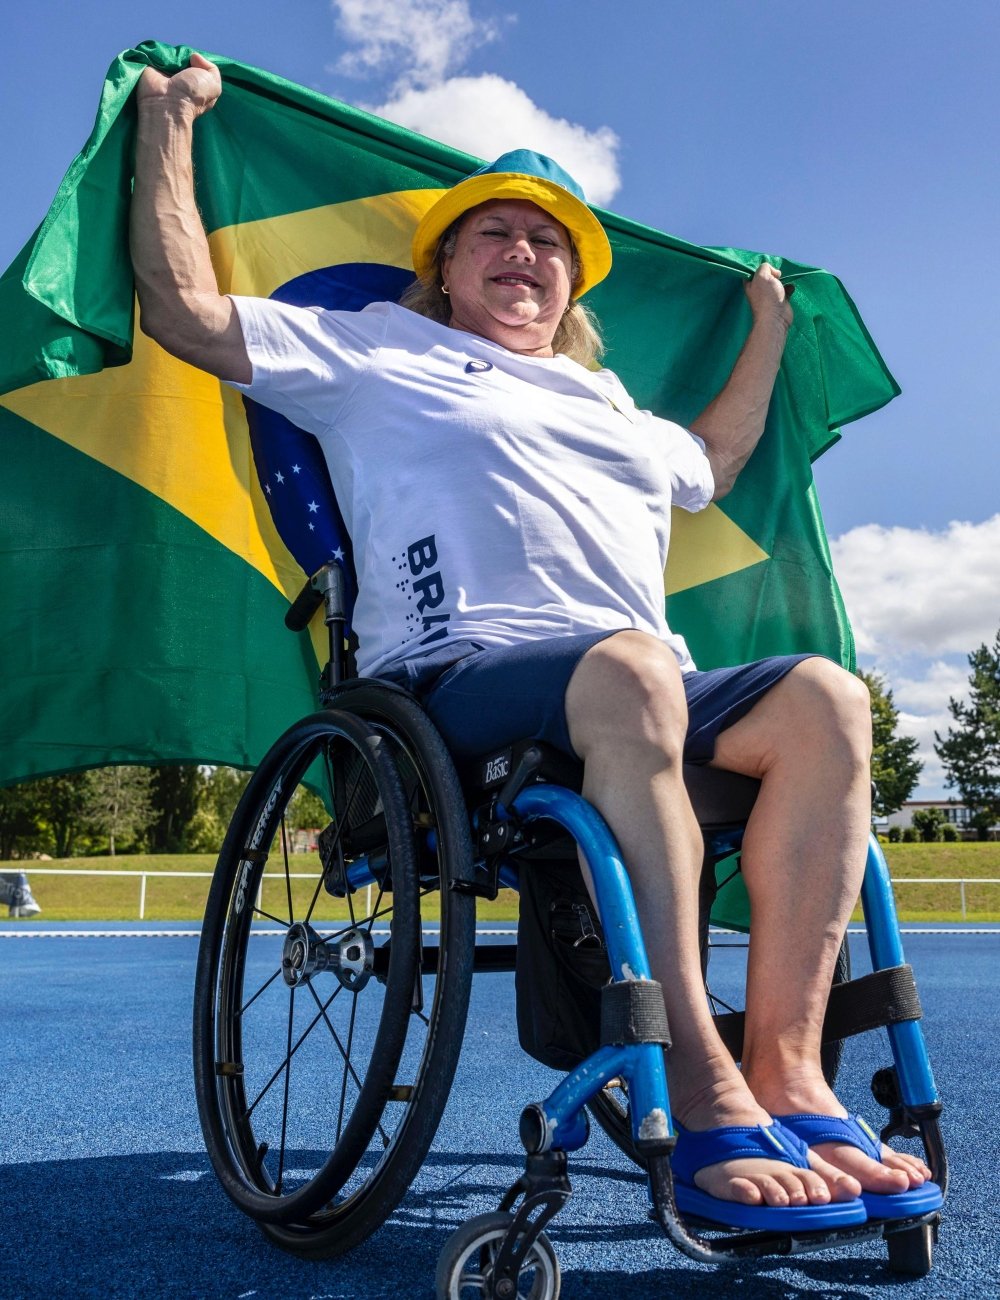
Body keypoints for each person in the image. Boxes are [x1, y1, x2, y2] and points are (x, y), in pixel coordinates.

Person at [129, 53, 940, 1232]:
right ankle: (702, 1080)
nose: (523, 252)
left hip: (634, 687)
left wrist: (766, 324)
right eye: (493, 235)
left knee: (828, 699)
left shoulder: (607, 405)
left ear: (573, 285)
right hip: (456, 684)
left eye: (548, 241)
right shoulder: (370, 352)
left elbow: (711, 463)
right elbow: (183, 313)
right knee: (631, 669)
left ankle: (788, 1073)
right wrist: (170, 123)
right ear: (444, 271)